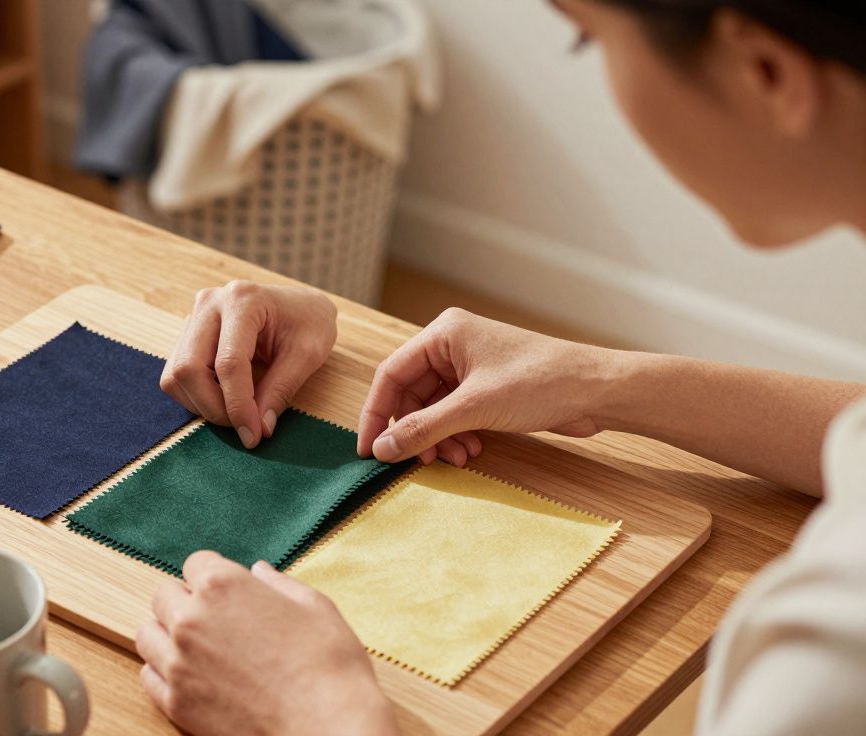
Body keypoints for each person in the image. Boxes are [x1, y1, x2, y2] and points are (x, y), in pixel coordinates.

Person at [135, 1, 866, 734]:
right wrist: (598, 380)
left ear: (766, 71)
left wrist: (315, 708)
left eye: (589, 39)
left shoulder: (826, 662)